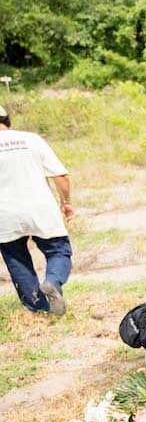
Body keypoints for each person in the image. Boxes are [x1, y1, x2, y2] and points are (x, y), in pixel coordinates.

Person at [0, 103, 74, 315]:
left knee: (17, 259)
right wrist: (66, 202)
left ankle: (38, 309)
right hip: (40, 209)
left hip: (4, 214)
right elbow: (61, 176)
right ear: (7, 120)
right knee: (59, 250)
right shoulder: (31, 139)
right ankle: (52, 281)